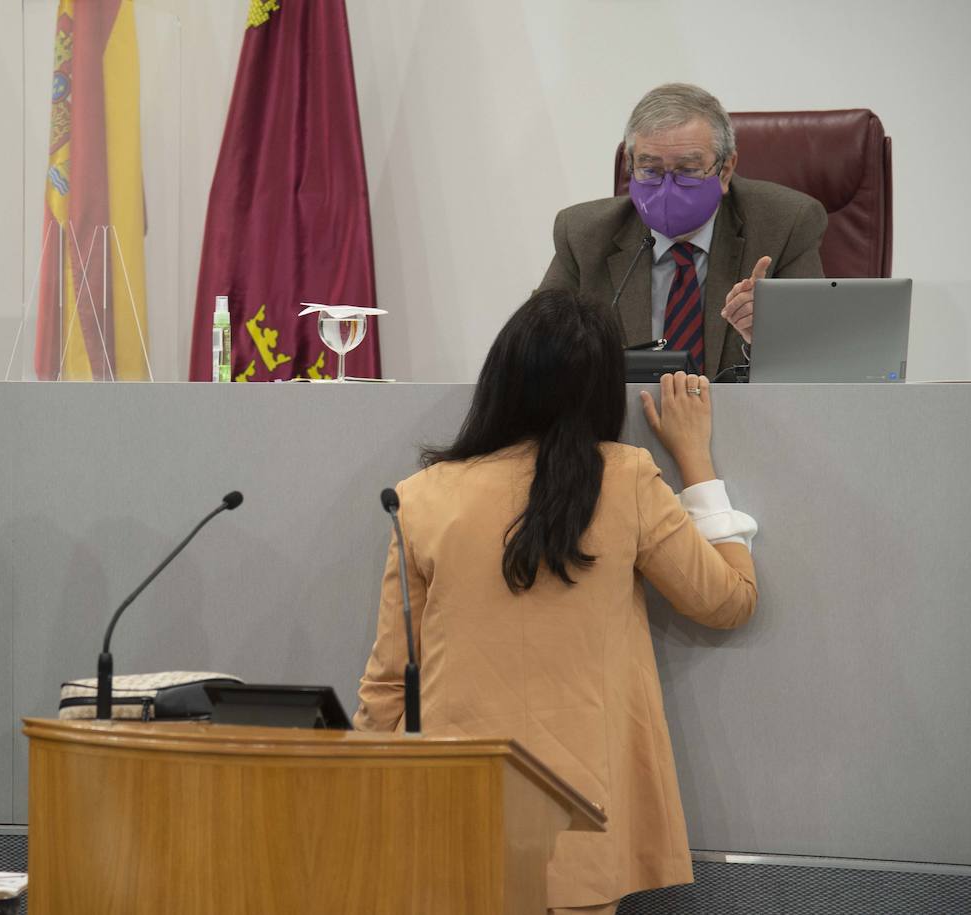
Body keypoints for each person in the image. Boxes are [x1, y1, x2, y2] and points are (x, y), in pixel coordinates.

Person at [353, 289, 758, 914]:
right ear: (603, 391)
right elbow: (728, 600)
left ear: (500, 378)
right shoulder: (626, 479)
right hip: (584, 820)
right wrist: (697, 464)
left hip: (450, 815)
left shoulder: (422, 496)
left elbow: (386, 684)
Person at [538, 82, 827, 377]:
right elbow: (536, 352)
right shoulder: (582, 234)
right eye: (650, 170)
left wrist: (767, 336)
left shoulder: (786, 224)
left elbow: (819, 359)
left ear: (725, 170)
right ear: (630, 164)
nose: (666, 190)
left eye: (688, 171)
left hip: (743, 419)